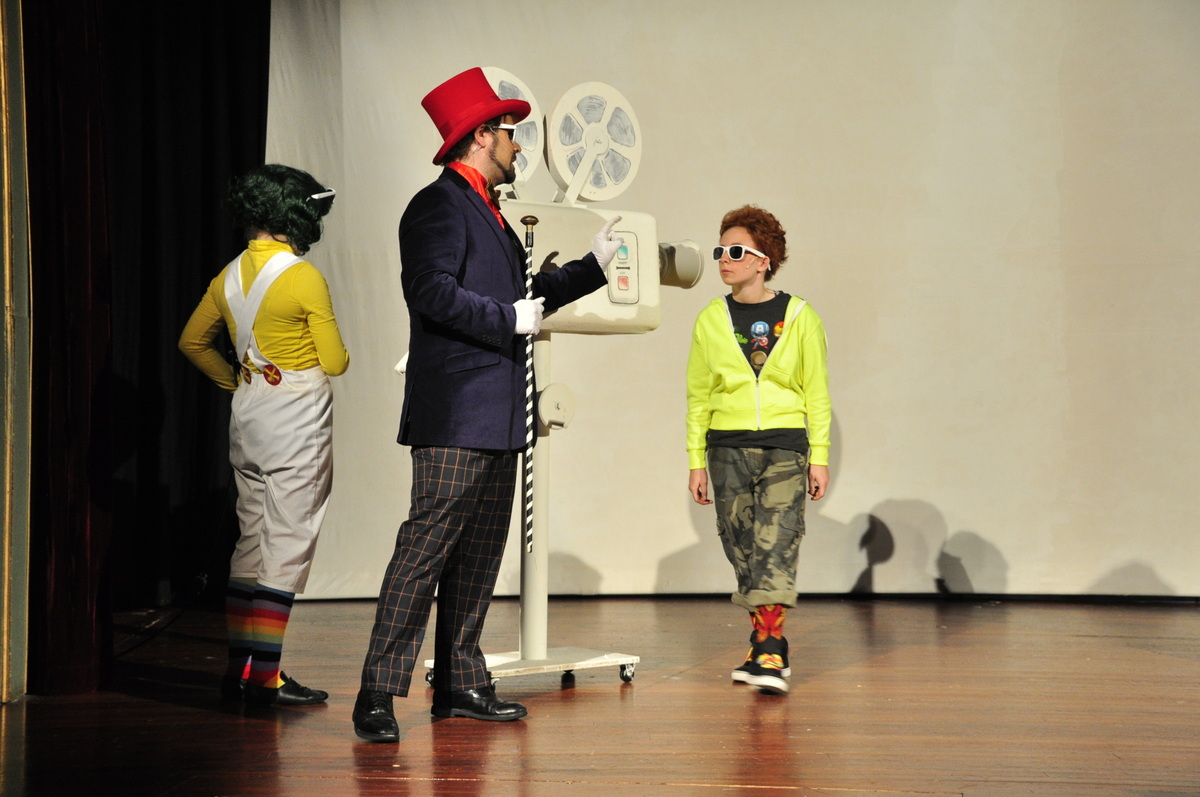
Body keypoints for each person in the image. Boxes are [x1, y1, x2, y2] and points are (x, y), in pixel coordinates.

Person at [352, 67, 623, 743]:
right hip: (456, 412)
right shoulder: (438, 205)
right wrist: (509, 317)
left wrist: (592, 267)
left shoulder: (491, 213)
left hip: (500, 413)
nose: (518, 144)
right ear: (480, 135)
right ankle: (377, 691)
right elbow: (431, 291)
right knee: (423, 551)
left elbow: (525, 298)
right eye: (509, 131)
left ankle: (461, 681)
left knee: (478, 556)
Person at [179, 164, 347, 707]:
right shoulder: (302, 277)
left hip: (249, 414)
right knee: (287, 544)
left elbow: (192, 342)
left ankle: (239, 671)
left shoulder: (227, 276)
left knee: (251, 541)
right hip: (295, 419)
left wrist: (237, 383)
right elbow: (335, 362)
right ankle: (265, 679)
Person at [685, 205, 831, 696]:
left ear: (763, 260)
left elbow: (817, 392)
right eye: (720, 251)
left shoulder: (801, 316)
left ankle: (769, 650)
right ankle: (765, 642)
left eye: (736, 251)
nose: (724, 260)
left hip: (784, 446)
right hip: (726, 447)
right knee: (742, 546)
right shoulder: (711, 318)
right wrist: (695, 460)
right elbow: (698, 396)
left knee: (776, 542)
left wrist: (820, 455)